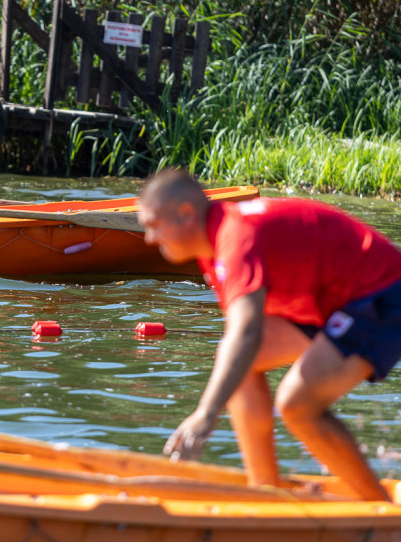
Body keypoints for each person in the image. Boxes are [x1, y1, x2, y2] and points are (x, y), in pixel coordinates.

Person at [137, 168, 401, 501]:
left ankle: (378, 512)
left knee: (296, 405)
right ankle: (266, 490)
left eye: (153, 224)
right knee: (237, 363)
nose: (149, 238)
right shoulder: (215, 246)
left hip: (383, 294)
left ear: (186, 213)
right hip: (332, 302)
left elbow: (246, 330)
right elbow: (242, 338)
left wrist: (206, 414)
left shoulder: (236, 237)